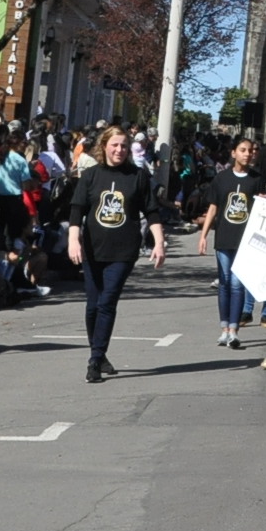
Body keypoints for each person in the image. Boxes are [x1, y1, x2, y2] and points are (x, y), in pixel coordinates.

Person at [65, 126, 169, 384]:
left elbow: (151, 211)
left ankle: (94, 361)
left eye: (123, 145)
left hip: (123, 251)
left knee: (107, 302)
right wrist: (73, 240)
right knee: (92, 306)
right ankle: (99, 353)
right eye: (114, 145)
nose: (119, 150)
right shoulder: (91, 175)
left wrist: (159, 243)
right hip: (92, 249)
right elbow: (77, 211)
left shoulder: (137, 176)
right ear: (104, 146)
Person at [196, 135, 266, 349]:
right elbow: (213, 208)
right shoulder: (222, 178)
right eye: (243, 150)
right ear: (233, 153)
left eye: (250, 151)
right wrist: (203, 235)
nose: (247, 154)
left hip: (245, 240)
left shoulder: (256, 179)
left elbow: (263, 208)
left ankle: (234, 330)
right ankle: (224, 328)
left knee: (238, 284)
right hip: (224, 237)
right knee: (225, 282)